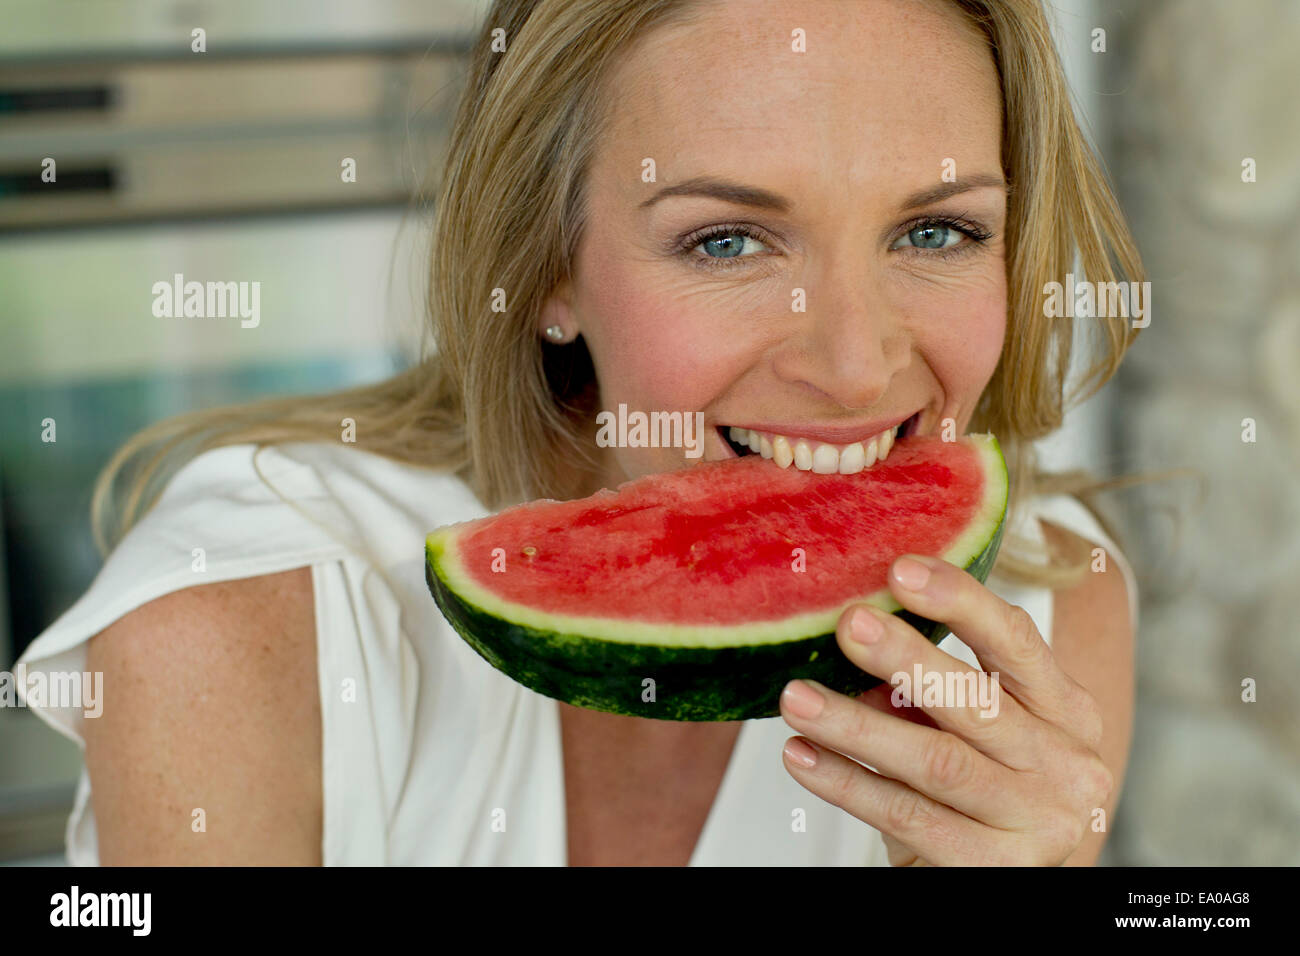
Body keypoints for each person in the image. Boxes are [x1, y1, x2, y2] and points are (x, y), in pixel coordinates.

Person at [18, 0, 1141, 866]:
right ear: (548, 268)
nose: (855, 362)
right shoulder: (251, 619)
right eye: (726, 242)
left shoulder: (1045, 622)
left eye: (936, 229)